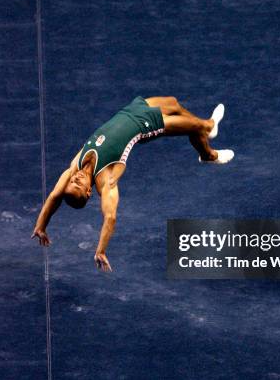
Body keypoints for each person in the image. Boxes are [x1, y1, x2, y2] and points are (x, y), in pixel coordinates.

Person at [31, 96, 234, 272]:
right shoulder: (107, 180)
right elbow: (110, 217)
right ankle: (209, 154)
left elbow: (54, 197)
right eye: (77, 185)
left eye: (71, 181)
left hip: (128, 111)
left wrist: (41, 225)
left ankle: (207, 135)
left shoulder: (75, 166)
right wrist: (100, 250)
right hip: (144, 125)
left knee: (172, 102)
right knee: (198, 127)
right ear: (88, 192)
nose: (74, 179)